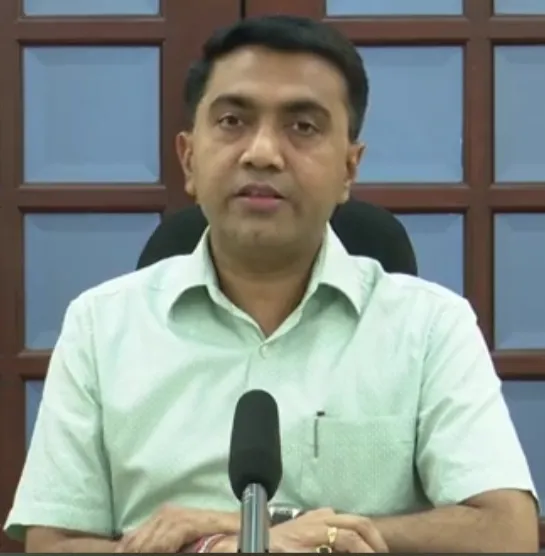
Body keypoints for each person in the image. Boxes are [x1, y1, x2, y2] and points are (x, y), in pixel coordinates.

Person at [4, 14, 539, 554]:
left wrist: (276, 530)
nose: (261, 152)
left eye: (302, 127)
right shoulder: (100, 326)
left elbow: (507, 532)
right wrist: (211, 550)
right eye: (232, 121)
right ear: (188, 158)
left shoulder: (430, 327)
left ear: (349, 169)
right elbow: (53, 544)